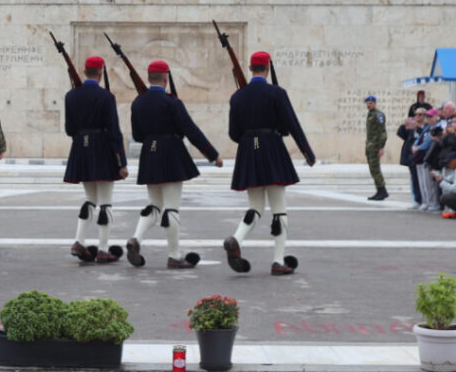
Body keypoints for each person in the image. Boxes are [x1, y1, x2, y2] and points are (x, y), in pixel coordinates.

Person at [224, 51, 316, 276]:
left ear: (250, 68)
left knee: (255, 207)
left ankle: (236, 238)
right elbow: (291, 124)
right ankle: (277, 260)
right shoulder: (276, 93)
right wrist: (307, 151)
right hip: (271, 148)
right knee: (279, 209)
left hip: (249, 149)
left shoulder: (237, 97)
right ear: (267, 68)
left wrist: (251, 140)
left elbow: (234, 133)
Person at [126, 60, 223, 269]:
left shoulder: (137, 102)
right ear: (165, 78)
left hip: (149, 153)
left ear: (148, 78)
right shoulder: (172, 102)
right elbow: (190, 130)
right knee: (171, 207)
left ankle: (136, 238)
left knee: (154, 204)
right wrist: (212, 154)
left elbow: (137, 135)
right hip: (170, 151)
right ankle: (175, 255)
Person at [64, 56, 129, 264]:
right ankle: (103, 249)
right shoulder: (106, 97)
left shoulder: (70, 95)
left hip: (80, 148)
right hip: (102, 148)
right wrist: (121, 161)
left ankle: (79, 241)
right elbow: (114, 131)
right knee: (105, 202)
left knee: (90, 199)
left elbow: (69, 130)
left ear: (84, 72)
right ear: (100, 73)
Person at [364, 95, 388, 200]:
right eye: (367, 103)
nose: (368, 105)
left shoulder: (378, 115)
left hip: (375, 146)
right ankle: (379, 190)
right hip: (370, 146)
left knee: (375, 169)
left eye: (370, 103)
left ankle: (382, 190)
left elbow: (383, 132)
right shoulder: (370, 114)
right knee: (372, 169)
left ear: (375, 103)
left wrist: (381, 147)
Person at [398, 112, 423, 209]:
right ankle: (416, 199)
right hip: (411, 156)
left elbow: (425, 136)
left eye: (420, 114)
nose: (417, 116)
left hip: (420, 156)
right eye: (416, 114)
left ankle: (421, 200)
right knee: (414, 179)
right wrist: (404, 125)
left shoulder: (424, 127)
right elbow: (401, 134)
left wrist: (418, 128)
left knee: (419, 179)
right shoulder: (411, 128)